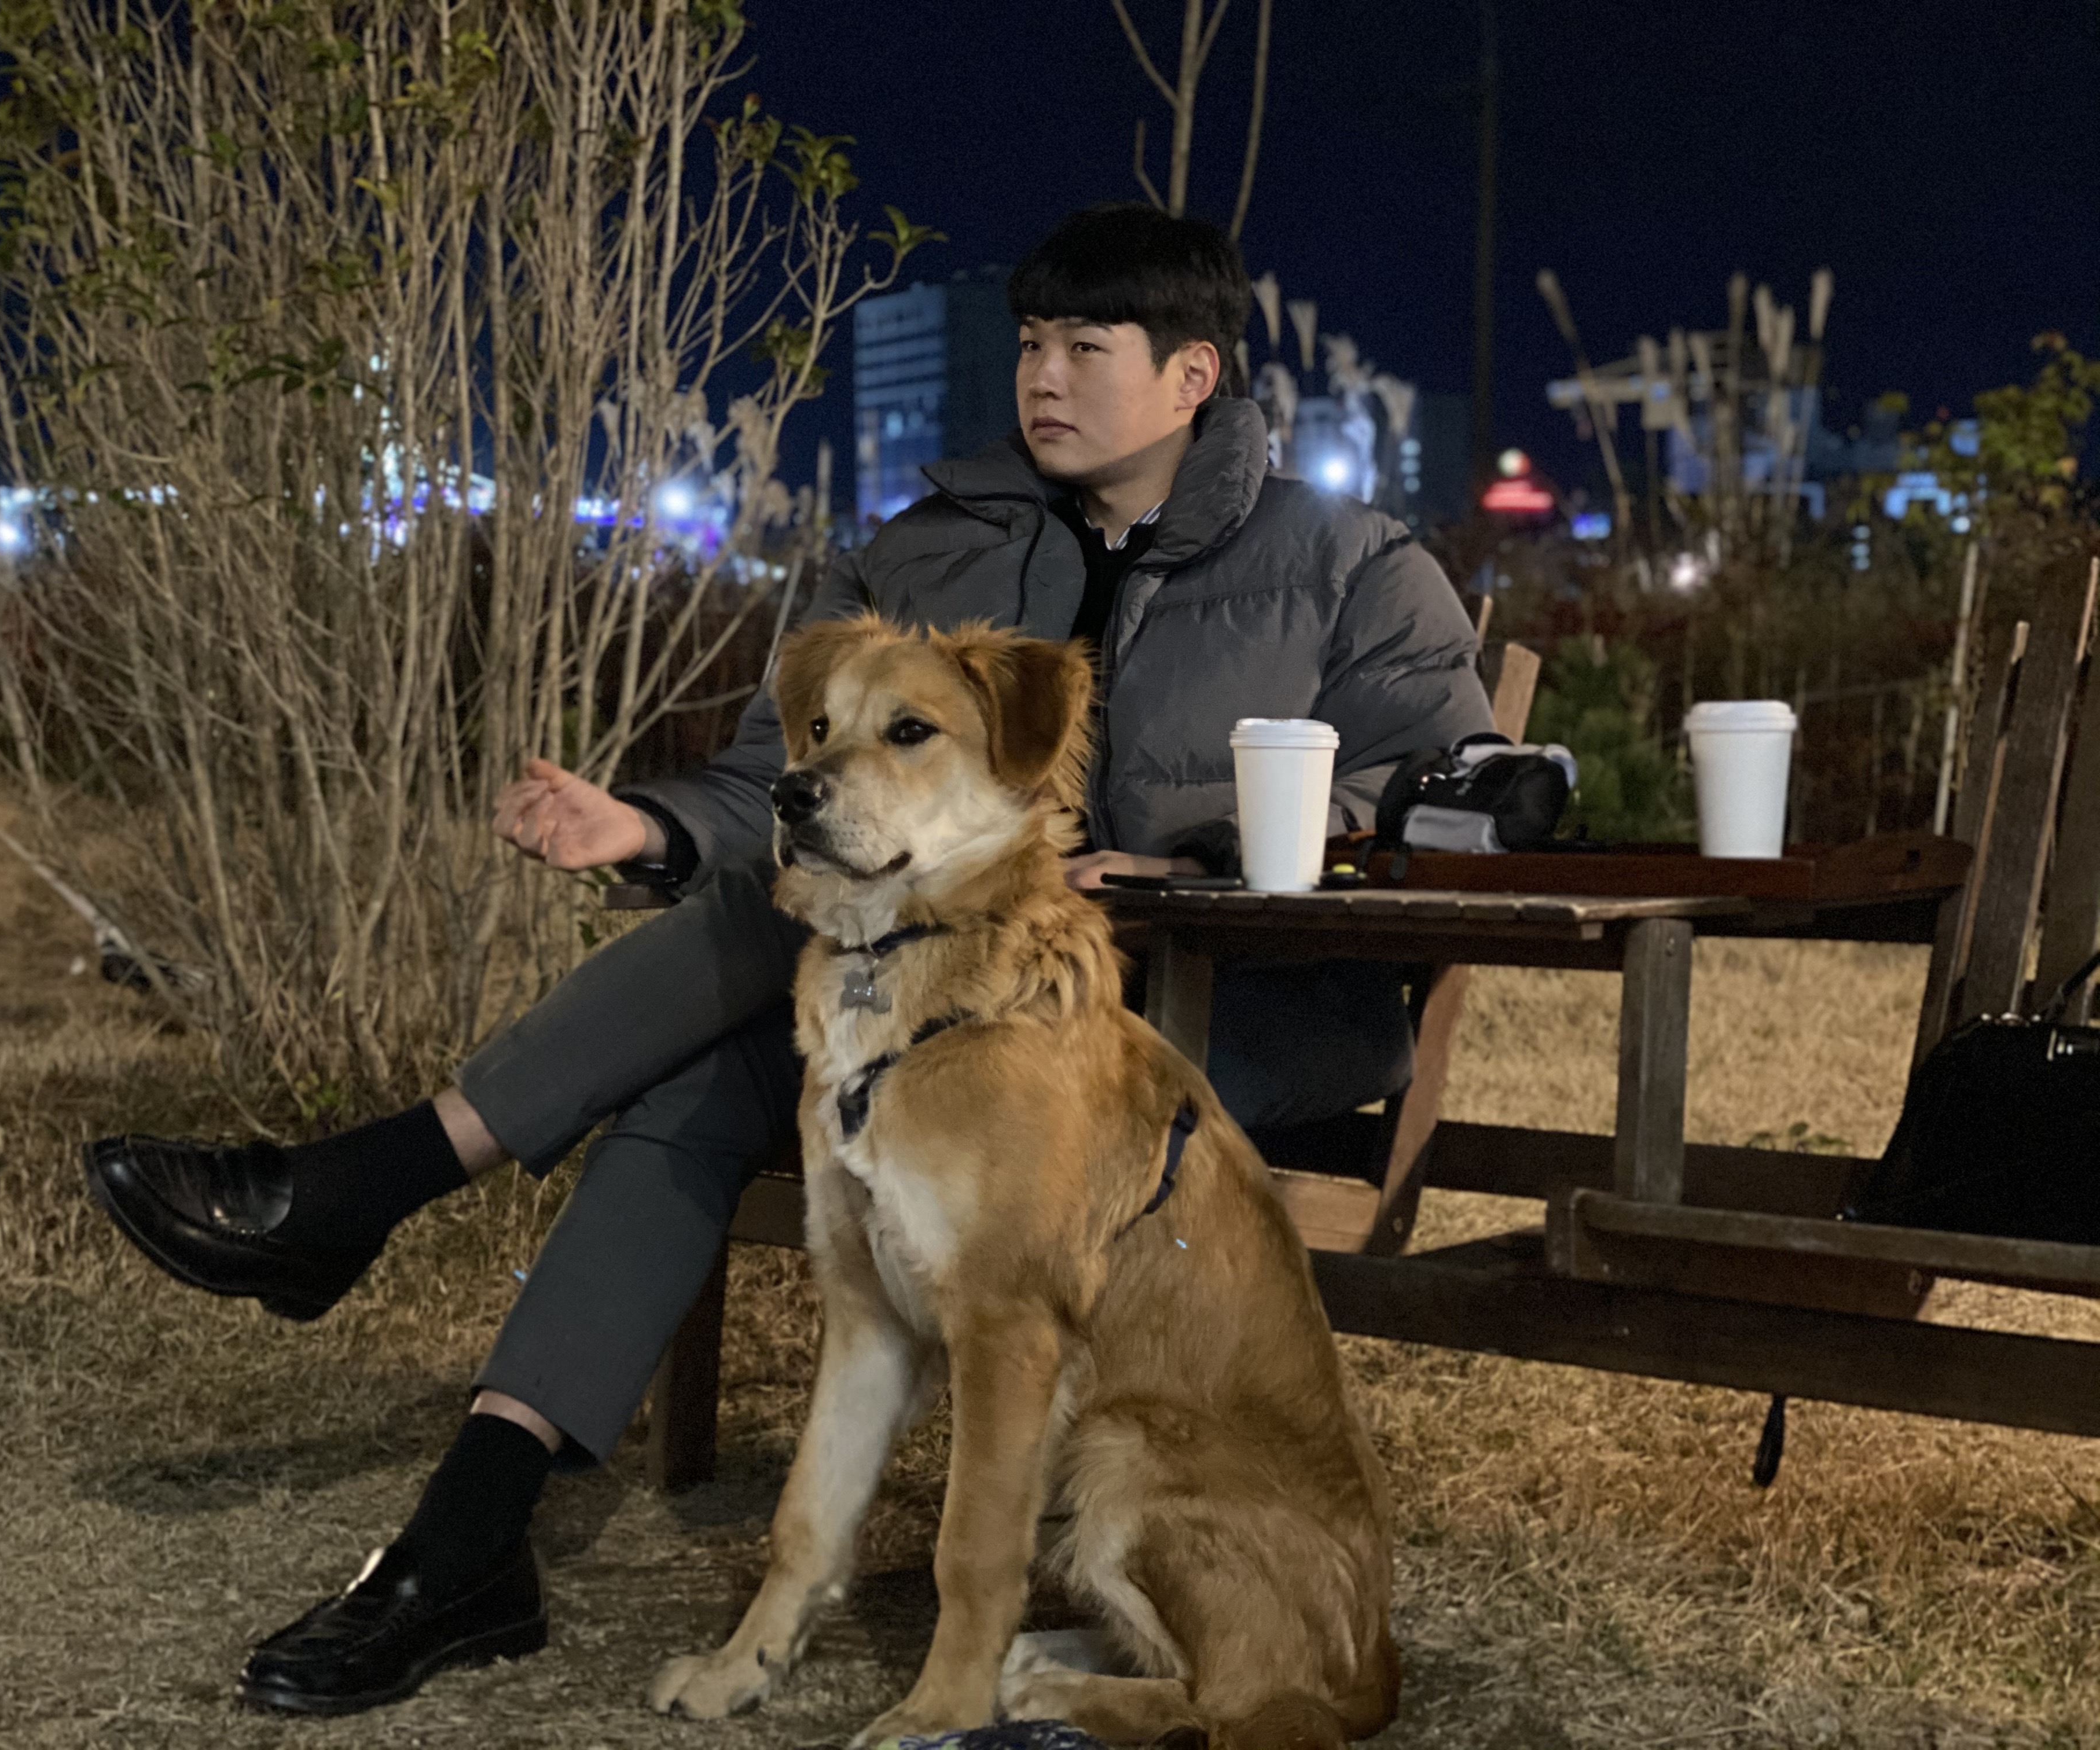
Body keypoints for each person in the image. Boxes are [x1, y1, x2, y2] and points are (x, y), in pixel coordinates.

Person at [85, 203, 1492, 1718]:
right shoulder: (932, 544)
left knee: (776, 996)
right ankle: (465, 1535)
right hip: (938, 1010)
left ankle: (367, 1187)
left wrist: (1198, 855)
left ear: (1193, 374)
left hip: (1212, 1018)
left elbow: (1457, 788)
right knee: (706, 1070)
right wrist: (646, 827)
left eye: (1089, 347)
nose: (1044, 375)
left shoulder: (1348, 564)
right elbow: (787, 780)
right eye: (1031, 342)